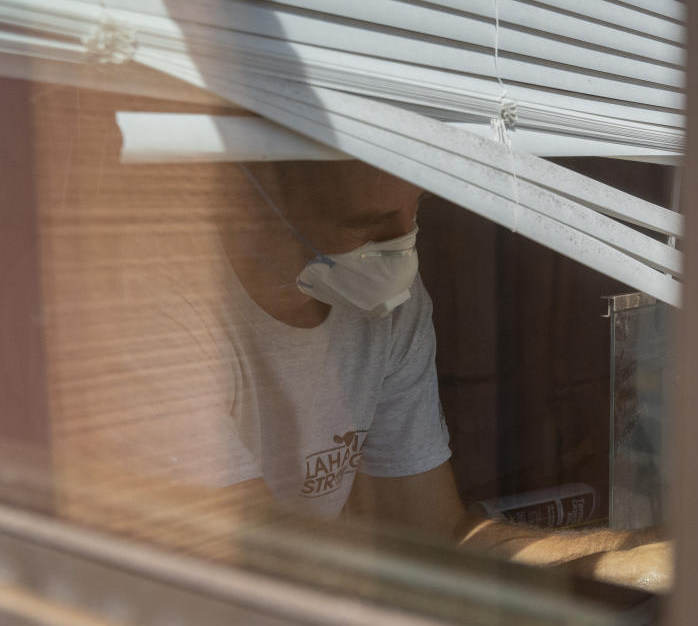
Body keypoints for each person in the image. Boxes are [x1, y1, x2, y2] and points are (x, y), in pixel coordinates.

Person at [210, 158, 673, 593]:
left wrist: (630, 560)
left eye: (417, 209)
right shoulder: (171, 318)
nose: (402, 245)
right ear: (249, 200)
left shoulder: (388, 306)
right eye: (367, 224)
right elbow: (253, 569)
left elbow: (433, 537)